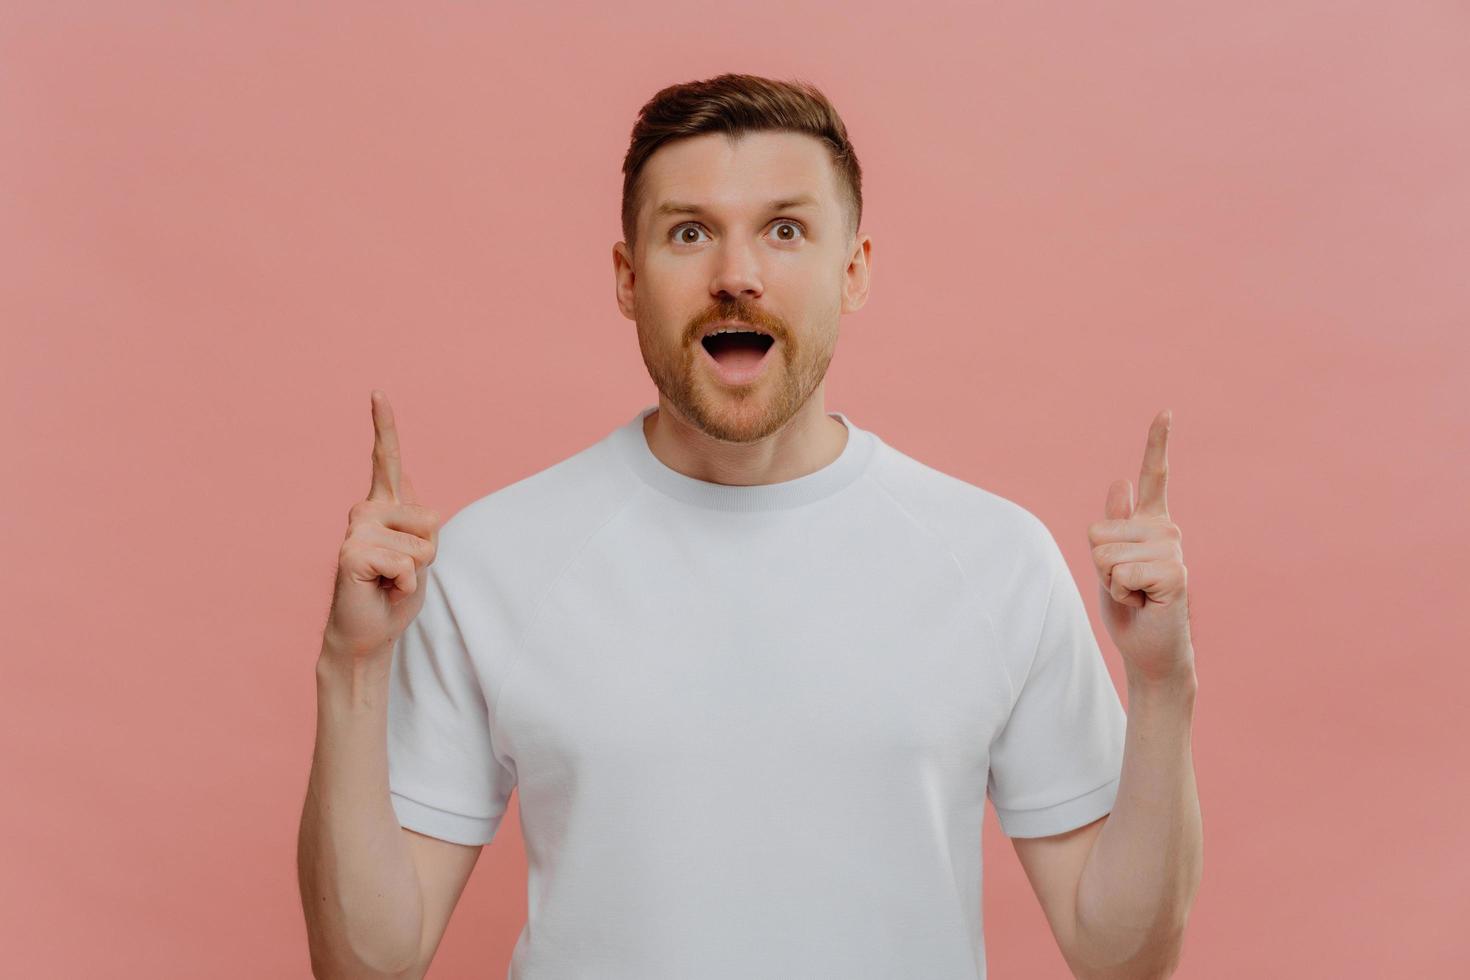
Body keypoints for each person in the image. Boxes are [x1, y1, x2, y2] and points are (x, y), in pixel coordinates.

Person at [297, 72, 1202, 980]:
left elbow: (1122, 958)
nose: (737, 275)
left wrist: (1162, 689)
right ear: (626, 277)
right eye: (689, 232)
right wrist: (352, 667)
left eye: (786, 229)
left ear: (854, 271)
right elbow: (369, 965)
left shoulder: (996, 561)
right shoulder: (493, 561)